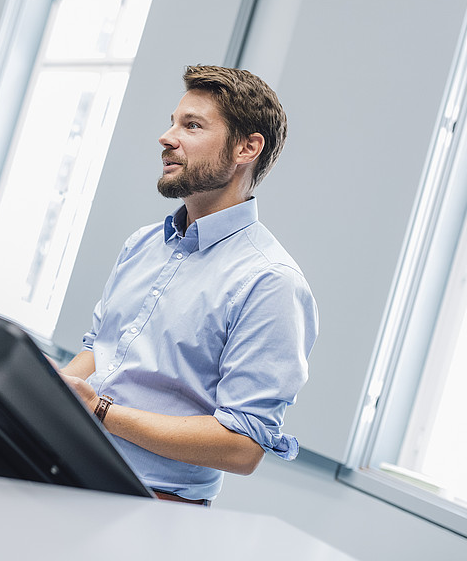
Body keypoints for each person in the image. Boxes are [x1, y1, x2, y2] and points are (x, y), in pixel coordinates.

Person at [59, 65, 318, 505]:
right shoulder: (142, 244)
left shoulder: (270, 281)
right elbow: (99, 349)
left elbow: (242, 447)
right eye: (172, 122)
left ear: (247, 148)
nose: (166, 137)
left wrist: (101, 411)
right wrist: (50, 387)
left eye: (192, 126)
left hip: (150, 507)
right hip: (63, 469)